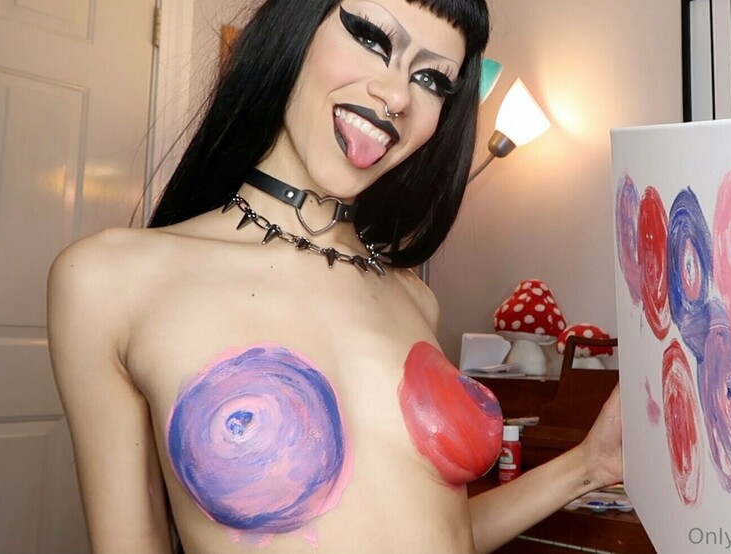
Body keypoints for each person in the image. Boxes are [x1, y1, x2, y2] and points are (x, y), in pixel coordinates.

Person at [47, 0, 622, 552]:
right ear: (296, 28)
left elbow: (438, 536)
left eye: (431, 80)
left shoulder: (414, 298)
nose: (396, 96)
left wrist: (588, 465)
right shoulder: (110, 280)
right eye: (371, 38)